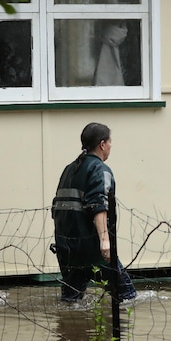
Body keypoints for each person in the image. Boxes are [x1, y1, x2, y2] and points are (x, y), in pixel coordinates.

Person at [51, 122, 137, 303]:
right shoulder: (100, 169)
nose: (111, 146)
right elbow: (98, 204)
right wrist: (105, 240)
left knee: (71, 301)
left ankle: (69, 330)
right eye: (110, 142)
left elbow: (58, 208)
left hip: (67, 248)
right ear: (102, 144)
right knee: (126, 297)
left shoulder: (69, 169)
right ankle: (117, 330)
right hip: (92, 249)